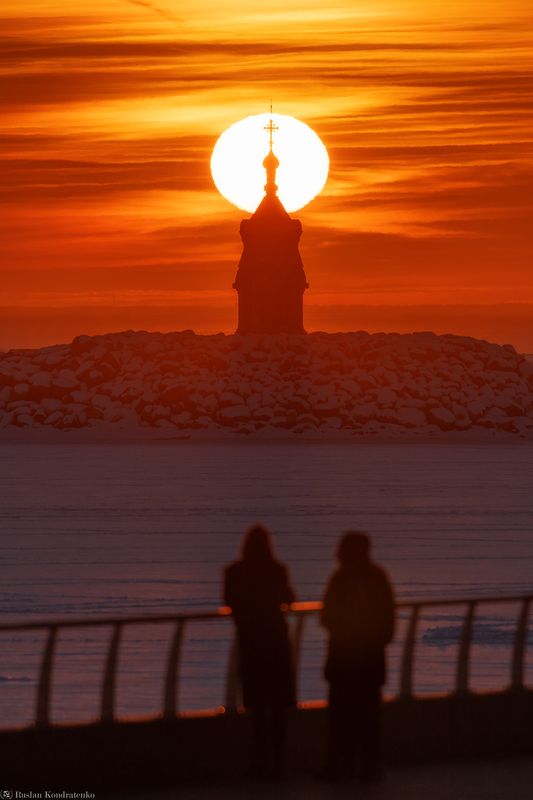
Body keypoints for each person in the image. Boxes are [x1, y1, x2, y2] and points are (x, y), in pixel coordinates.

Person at [320, 531, 394, 782]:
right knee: (370, 716)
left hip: (343, 660)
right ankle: (370, 765)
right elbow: (388, 619)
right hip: (371, 660)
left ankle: (341, 764)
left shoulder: (340, 579)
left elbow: (326, 617)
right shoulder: (378, 577)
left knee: (341, 716)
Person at [224, 524, 296, 778]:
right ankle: (279, 763)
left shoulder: (234, 572)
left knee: (255, 707)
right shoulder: (277, 570)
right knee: (277, 708)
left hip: (251, 644)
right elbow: (290, 599)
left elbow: (229, 601)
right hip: (276, 644)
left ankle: (259, 762)